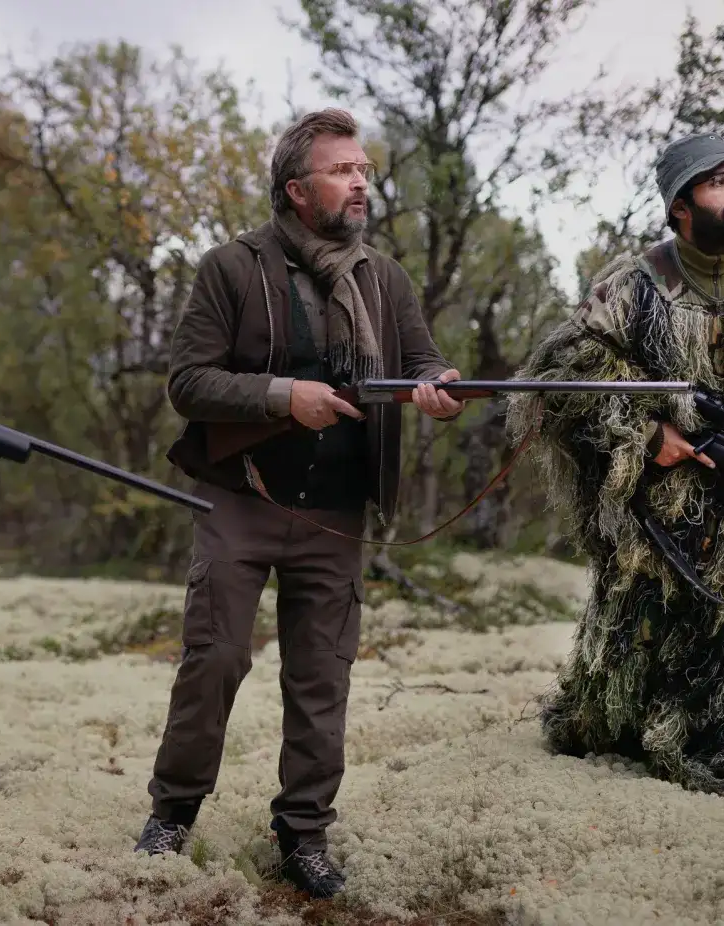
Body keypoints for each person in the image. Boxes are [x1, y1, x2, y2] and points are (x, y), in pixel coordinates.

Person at [137, 108, 464, 898]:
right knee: (214, 659)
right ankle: (173, 814)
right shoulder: (231, 267)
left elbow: (426, 363)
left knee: (323, 675)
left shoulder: (383, 277)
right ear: (295, 188)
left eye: (364, 171)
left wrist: (441, 392)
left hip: (338, 512)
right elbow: (188, 382)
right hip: (241, 501)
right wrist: (288, 398)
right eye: (343, 170)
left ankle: (304, 833)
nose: (361, 183)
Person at [505, 133, 724, 798]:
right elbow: (566, 375)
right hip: (657, 499)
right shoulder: (634, 283)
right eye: (720, 182)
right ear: (679, 204)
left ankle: (717, 747)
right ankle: (612, 729)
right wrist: (646, 432)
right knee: (628, 636)